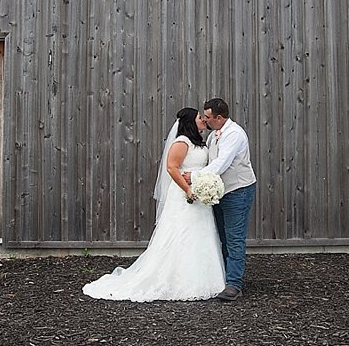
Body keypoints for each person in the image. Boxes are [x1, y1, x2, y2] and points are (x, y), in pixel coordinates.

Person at [82, 108, 225, 302]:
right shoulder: (181, 142)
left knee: (201, 233)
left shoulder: (199, 142)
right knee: (182, 234)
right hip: (185, 195)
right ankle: (177, 279)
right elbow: (171, 168)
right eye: (200, 118)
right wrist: (188, 190)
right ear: (191, 121)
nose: (203, 120)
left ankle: (206, 278)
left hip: (200, 196)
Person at [184, 98, 256, 302]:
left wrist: (195, 177)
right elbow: (210, 161)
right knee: (222, 235)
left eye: (207, 117)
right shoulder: (213, 136)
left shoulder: (234, 134)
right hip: (219, 192)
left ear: (219, 117)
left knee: (234, 238)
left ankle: (234, 285)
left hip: (237, 191)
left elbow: (221, 164)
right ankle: (224, 277)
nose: (204, 120)